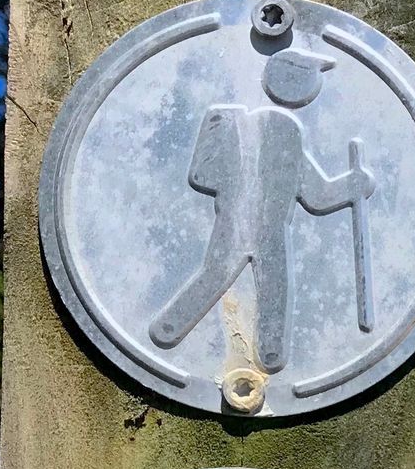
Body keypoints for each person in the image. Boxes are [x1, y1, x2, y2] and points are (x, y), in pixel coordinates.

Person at [149, 46, 375, 373]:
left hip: (267, 229)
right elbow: (315, 194)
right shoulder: (240, 125)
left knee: (265, 287)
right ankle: (172, 328)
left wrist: (353, 185)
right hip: (241, 224)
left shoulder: (286, 133)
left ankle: (264, 350)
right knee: (227, 279)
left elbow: (315, 193)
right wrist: (353, 186)